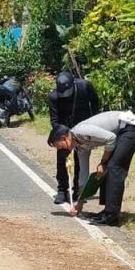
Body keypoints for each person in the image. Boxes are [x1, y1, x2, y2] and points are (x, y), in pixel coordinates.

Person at [47, 110, 135, 227]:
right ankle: (108, 210)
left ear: (64, 138)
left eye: (59, 146)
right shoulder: (80, 146)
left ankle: (111, 215)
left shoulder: (81, 131)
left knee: (114, 168)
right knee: (106, 169)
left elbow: (111, 138)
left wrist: (103, 162)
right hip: (122, 131)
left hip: (131, 127)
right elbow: (83, 175)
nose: (61, 150)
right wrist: (80, 203)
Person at [48, 70, 101, 205]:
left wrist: (92, 123)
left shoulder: (84, 86)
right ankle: (62, 190)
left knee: (79, 160)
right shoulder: (54, 97)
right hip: (64, 131)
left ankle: (77, 190)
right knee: (62, 159)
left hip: (83, 128)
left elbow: (95, 103)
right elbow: (54, 120)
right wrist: (63, 135)